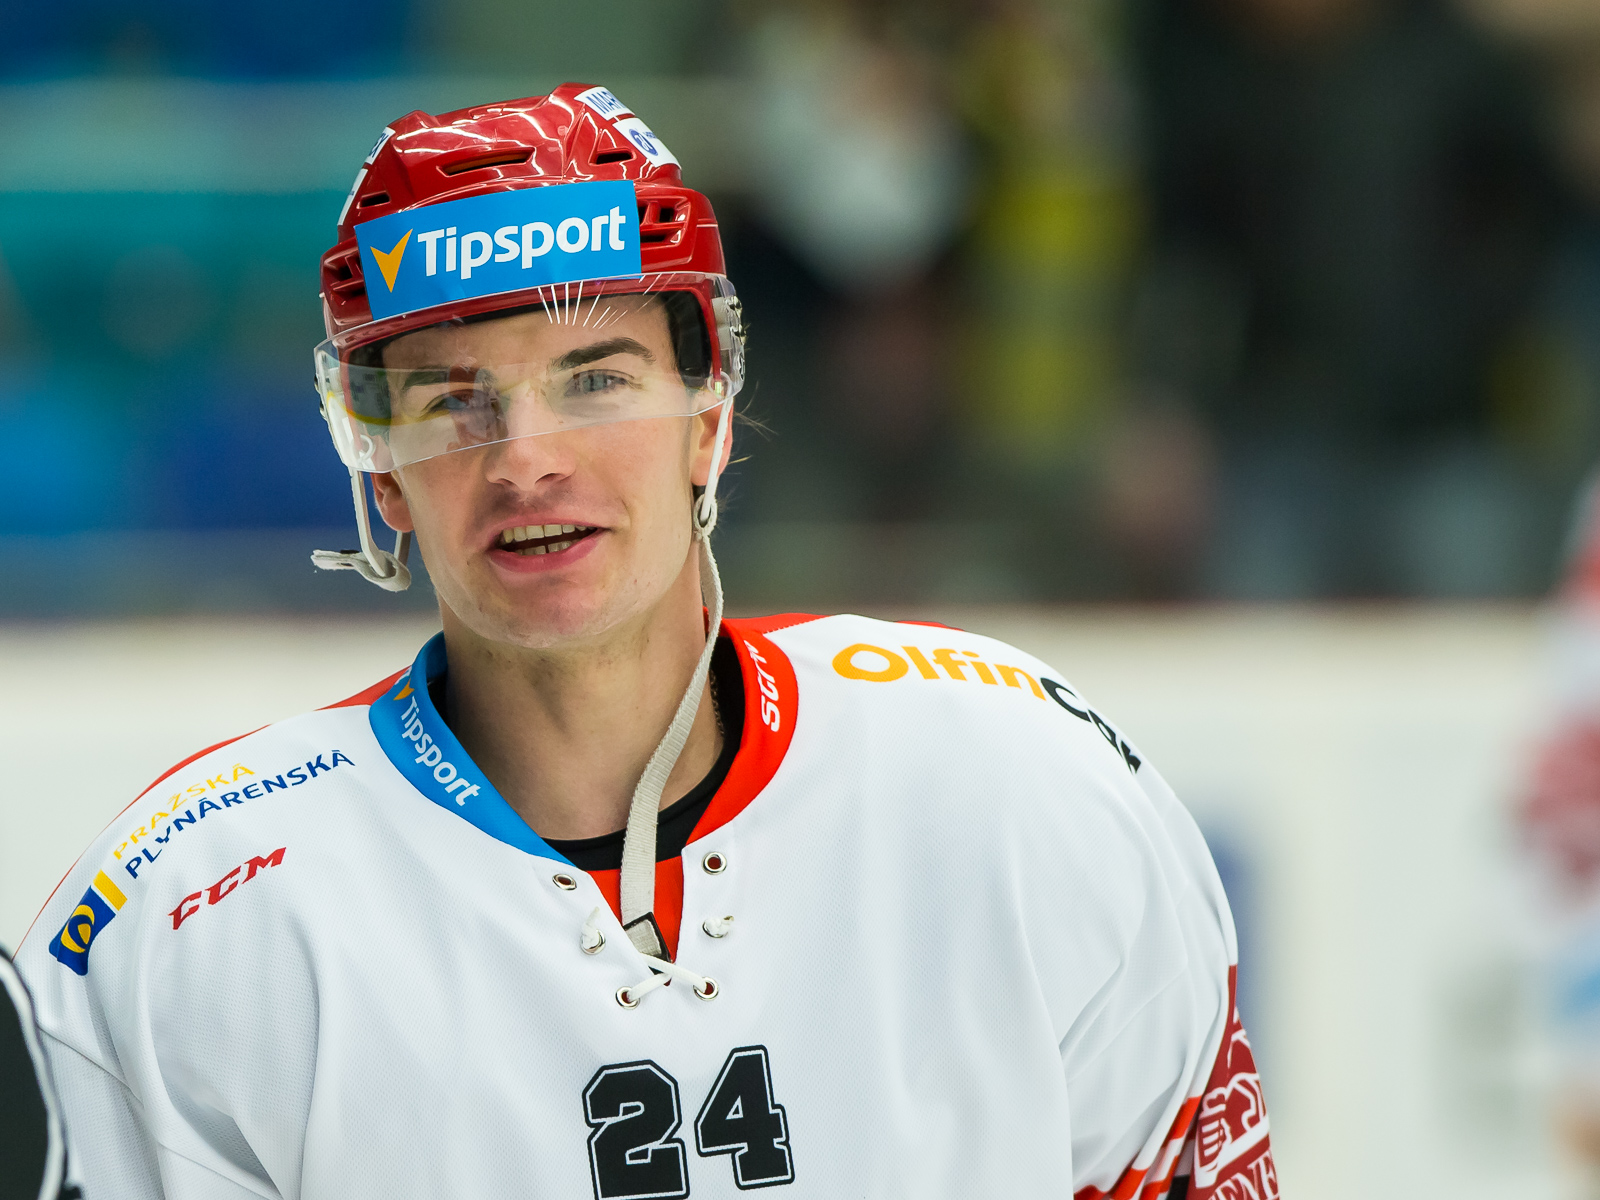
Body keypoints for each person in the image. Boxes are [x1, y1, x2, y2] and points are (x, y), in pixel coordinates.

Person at [14, 85, 1275, 1199]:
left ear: (708, 415)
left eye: (595, 379)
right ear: (382, 469)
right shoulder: (189, 919)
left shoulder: (1021, 784)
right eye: (455, 401)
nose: (526, 460)